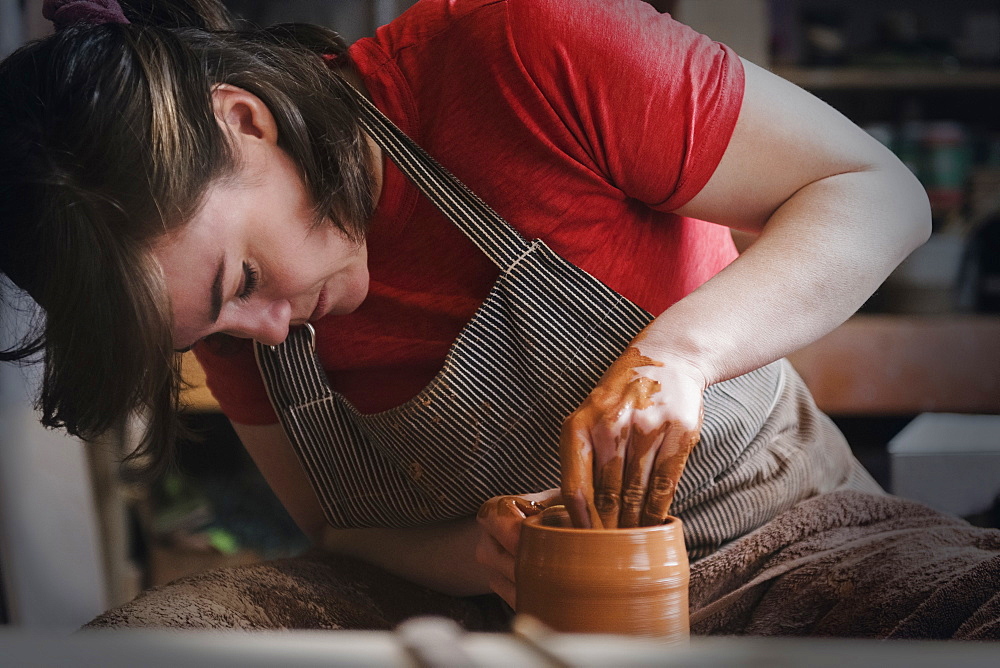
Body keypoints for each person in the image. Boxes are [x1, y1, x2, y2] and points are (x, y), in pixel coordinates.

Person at [0, 0, 930, 624]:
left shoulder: (527, 50)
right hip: (488, 609)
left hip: (784, 536)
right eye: (206, 335)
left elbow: (877, 191)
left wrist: (680, 354)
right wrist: (485, 560)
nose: (265, 334)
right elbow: (337, 535)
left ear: (243, 121)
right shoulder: (249, 326)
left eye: (241, 280)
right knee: (139, 639)